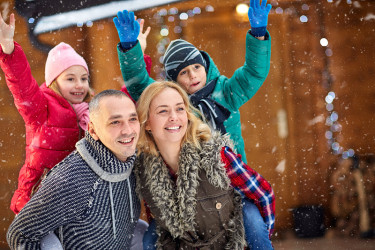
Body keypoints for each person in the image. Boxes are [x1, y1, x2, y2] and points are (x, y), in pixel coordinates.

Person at [113, 1, 274, 248]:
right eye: (184, 73)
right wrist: (130, 48)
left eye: (196, 67)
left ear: (205, 66)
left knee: (253, 225)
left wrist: (258, 34)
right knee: (151, 239)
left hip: (230, 183)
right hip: (186, 191)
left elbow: (253, 73)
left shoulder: (226, 92)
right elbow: (138, 86)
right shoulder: (174, 103)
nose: (193, 76)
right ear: (174, 81)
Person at [0, 12, 151, 214]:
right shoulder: (39, 108)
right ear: (54, 81)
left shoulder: (92, 112)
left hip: (78, 200)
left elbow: (125, 99)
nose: (79, 85)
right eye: (70, 79)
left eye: (84, 78)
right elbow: (21, 84)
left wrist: (135, 54)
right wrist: (9, 49)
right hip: (41, 201)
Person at [134, 81, 275, 249]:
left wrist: (260, 236)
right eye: (163, 111)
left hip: (230, 243)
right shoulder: (145, 171)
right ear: (147, 123)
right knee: (150, 236)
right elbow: (157, 218)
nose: (174, 116)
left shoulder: (215, 156)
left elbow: (263, 194)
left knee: (250, 213)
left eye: (180, 108)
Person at [7, 89, 141, 249]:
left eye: (132, 119)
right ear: (92, 130)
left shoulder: (135, 167)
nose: (128, 130)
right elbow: (20, 234)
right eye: (115, 122)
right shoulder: (72, 178)